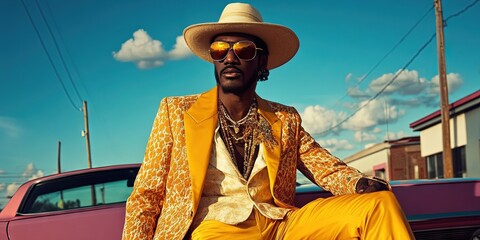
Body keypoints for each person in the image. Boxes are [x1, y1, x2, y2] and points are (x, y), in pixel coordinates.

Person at [122, 2, 414, 240]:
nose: (230, 58)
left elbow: (325, 167)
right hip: (216, 228)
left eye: (244, 50)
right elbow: (147, 194)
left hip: (280, 224)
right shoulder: (175, 112)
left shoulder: (285, 118)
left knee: (380, 205)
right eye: (220, 51)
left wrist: (358, 183)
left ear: (262, 62)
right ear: (213, 59)